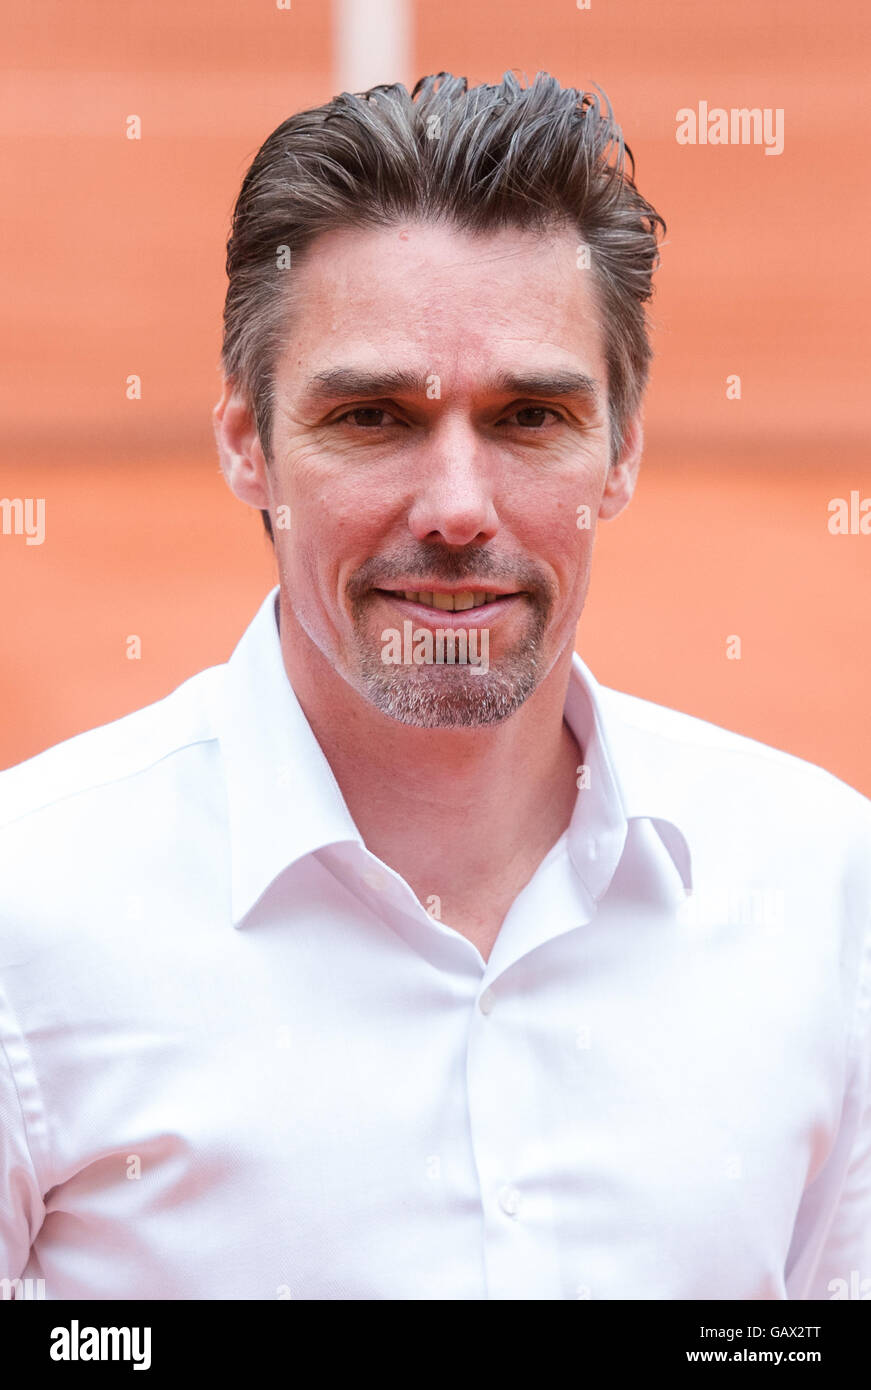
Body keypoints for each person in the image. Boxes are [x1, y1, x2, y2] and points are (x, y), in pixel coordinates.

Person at [1, 72, 868, 1302]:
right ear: (248, 445)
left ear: (620, 450)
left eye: (530, 416)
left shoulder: (825, 890)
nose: (457, 510)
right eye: (371, 417)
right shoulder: (25, 914)